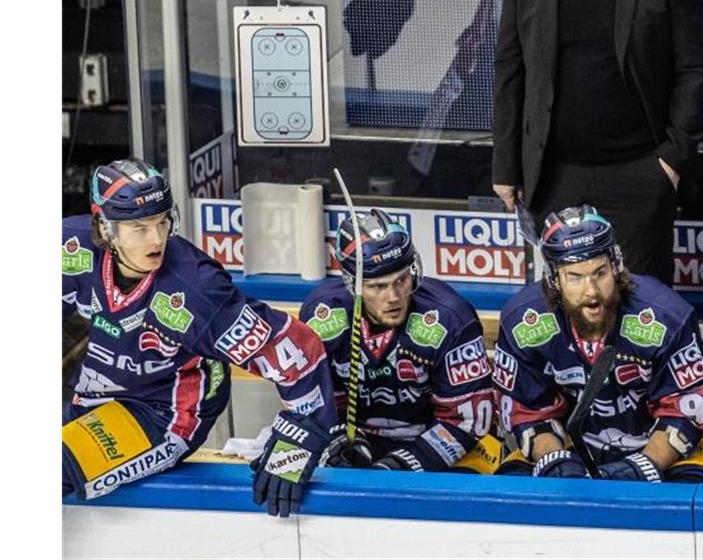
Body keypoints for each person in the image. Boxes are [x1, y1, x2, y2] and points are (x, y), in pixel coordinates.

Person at [61, 159, 335, 517]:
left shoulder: (197, 292)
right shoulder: (70, 250)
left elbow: (300, 352)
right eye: (140, 228)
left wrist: (295, 447)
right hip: (94, 394)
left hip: (164, 412)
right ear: (105, 227)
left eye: (162, 222)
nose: (157, 238)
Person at [492, 0, 703, 284]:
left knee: (642, 306)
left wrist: (669, 161)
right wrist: (506, 167)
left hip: (640, 171)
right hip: (556, 176)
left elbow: (694, 67)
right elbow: (510, 67)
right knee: (568, 305)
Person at [493, 205, 703, 482]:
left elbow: (688, 410)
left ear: (616, 265)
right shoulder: (523, 324)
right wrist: (553, 459)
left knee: (694, 492)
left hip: (662, 449)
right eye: (575, 277)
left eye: (600, 273)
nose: (591, 291)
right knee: (513, 488)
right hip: (571, 447)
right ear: (554, 279)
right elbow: (528, 411)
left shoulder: (665, 316)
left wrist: (643, 467)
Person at [300, 209, 498, 473]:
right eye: (377, 287)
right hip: (358, 437)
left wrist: (399, 465)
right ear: (351, 284)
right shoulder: (323, 316)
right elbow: (316, 401)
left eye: (401, 280)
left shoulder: (450, 318)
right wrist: (343, 440)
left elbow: (468, 421)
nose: (393, 297)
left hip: (441, 442)